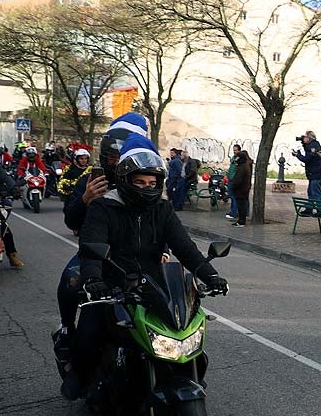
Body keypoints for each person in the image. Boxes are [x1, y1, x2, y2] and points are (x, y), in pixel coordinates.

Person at [66, 133, 229, 399]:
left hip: (154, 286)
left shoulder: (162, 209)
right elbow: (91, 247)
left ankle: (186, 378)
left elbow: (184, 246)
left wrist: (210, 275)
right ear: (126, 180)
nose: (146, 187)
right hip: (113, 285)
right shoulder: (104, 207)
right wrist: (93, 281)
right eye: (139, 182)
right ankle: (78, 378)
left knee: (185, 334)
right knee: (88, 335)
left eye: (152, 182)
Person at [54, 113, 149, 385]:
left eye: (123, 158)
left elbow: (161, 222)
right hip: (95, 253)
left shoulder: (144, 180)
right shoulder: (89, 182)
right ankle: (66, 330)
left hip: (136, 254)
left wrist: (164, 251)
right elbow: (71, 220)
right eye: (112, 159)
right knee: (70, 282)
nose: (117, 164)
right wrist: (85, 199)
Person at [293, 131, 321, 214]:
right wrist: (303, 144)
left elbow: (307, 159)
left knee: (316, 193)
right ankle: (309, 209)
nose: (304, 138)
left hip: (316, 173)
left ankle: (320, 211)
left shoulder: (313, 146)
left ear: (309, 138)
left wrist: (297, 155)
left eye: (305, 137)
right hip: (313, 173)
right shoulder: (312, 145)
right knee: (310, 192)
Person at [229, 150, 252, 227]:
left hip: (241, 189)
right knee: (242, 205)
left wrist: (233, 187)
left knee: (241, 206)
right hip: (244, 188)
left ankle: (241, 221)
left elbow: (238, 179)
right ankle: (241, 220)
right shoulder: (245, 165)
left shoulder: (242, 167)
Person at [225, 144, 242, 220]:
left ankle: (233, 213)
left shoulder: (239, 159)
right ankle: (232, 211)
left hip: (234, 180)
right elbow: (231, 168)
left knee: (233, 197)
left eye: (236, 150)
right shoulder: (233, 158)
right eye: (233, 150)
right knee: (231, 197)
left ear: (239, 150)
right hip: (230, 179)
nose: (234, 152)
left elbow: (237, 170)